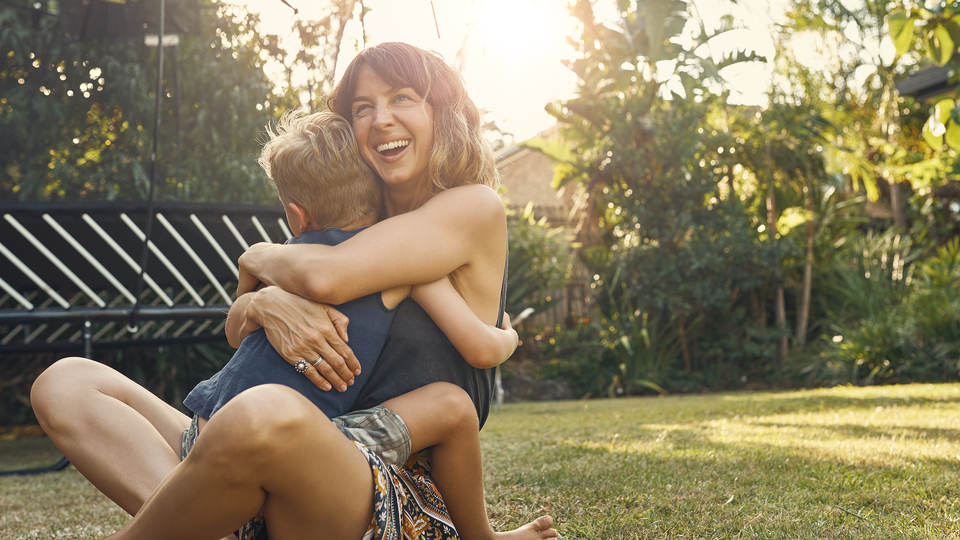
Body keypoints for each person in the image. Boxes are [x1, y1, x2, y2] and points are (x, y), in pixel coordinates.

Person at [31, 42, 557, 540]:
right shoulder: (350, 219)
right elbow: (237, 330)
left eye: (402, 99)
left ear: (443, 111)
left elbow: (323, 277)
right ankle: (208, 524)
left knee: (262, 412)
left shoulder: (472, 205)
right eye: (362, 107)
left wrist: (256, 256)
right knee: (67, 381)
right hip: (270, 449)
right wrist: (264, 301)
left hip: (379, 486)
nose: (381, 119)